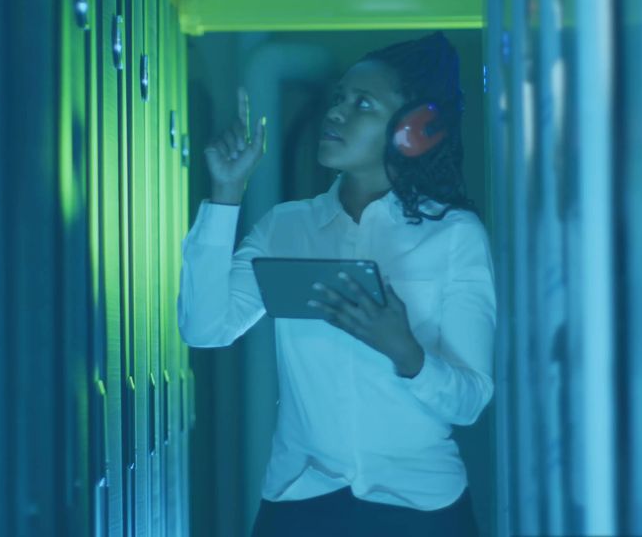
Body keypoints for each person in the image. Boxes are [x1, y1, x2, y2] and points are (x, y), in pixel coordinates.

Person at [178, 31, 496, 537]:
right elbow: (205, 327)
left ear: (413, 130)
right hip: (300, 504)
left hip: (422, 510)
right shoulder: (286, 226)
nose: (337, 114)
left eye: (363, 104)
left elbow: (471, 399)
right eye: (339, 100)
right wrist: (225, 194)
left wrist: (406, 352)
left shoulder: (455, 236)